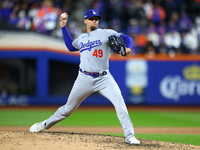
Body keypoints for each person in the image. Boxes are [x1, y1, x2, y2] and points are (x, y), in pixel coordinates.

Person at [29, 9, 140, 145]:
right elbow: (70, 46)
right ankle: (44, 124)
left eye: (96, 18)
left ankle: (129, 135)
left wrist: (128, 47)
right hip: (84, 78)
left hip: (104, 78)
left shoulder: (106, 33)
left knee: (120, 103)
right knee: (68, 109)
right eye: (92, 18)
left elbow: (127, 38)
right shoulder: (81, 38)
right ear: (85, 20)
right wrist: (63, 26)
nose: (95, 20)